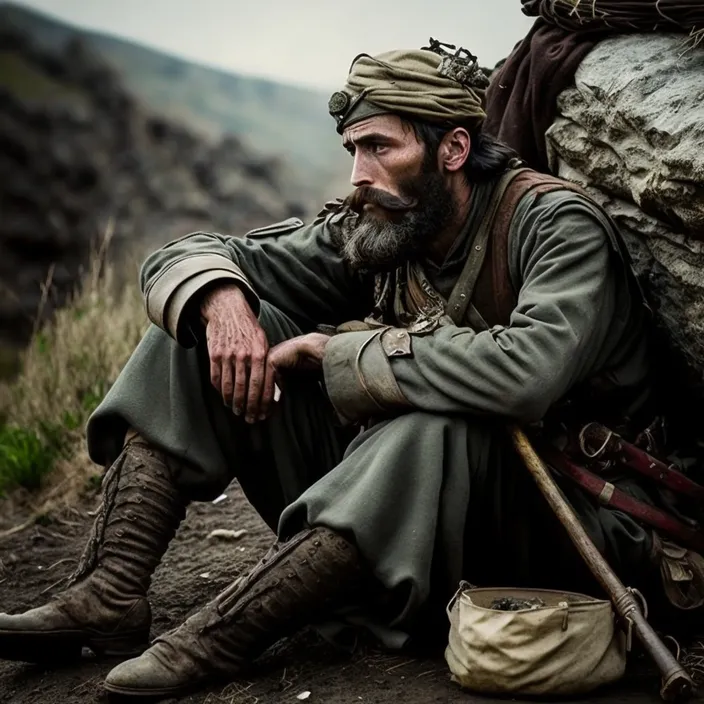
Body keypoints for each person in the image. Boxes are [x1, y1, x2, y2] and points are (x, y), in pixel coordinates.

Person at [0, 40, 671, 699]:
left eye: (380, 147)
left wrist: (342, 354)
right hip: (438, 513)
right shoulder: (386, 227)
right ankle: (108, 592)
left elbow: (528, 373)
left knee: (433, 425)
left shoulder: (555, 227)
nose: (358, 173)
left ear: (454, 150)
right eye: (353, 149)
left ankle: (223, 636)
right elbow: (194, 254)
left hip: (578, 523)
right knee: (209, 329)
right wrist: (221, 301)